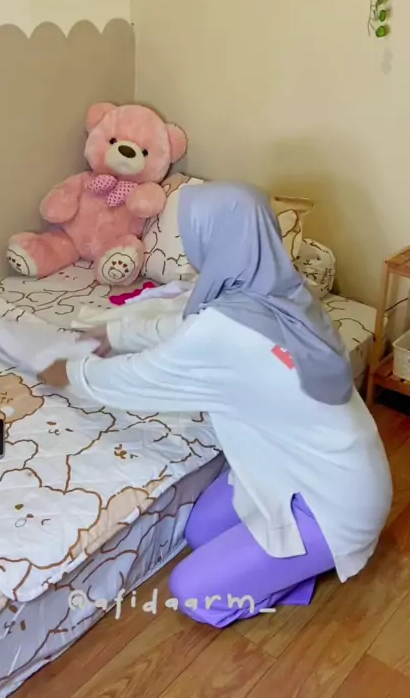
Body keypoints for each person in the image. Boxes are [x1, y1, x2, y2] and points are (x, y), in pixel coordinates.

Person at [38, 182, 393, 628]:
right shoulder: (281, 292)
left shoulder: (228, 330)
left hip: (334, 506)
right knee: (200, 531)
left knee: (193, 592)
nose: (189, 251)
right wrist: (113, 334)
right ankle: (282, 561)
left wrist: (70, 374)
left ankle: (302, 567)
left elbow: (138, 378)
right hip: (327, 469)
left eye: (191, 236)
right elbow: (185, 328)